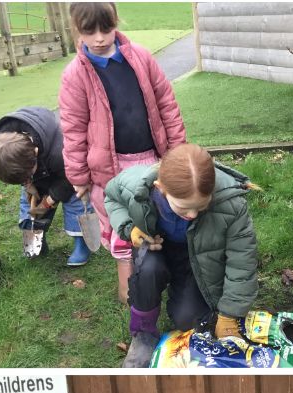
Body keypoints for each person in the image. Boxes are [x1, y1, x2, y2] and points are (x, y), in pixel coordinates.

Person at [59, 2, 186, 301]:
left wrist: (177, 151)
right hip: (109, 170)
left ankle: (167, 279)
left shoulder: (139, 57)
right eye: (90, 31)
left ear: (116, 22)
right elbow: (73, 129)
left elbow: (166, 102)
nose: (100, 38)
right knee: (121, 230)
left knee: (157, 218)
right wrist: (79, 176)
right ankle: (128, 293)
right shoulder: (75, 75)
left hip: (152, 158)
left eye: (106, 28)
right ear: (78, 29)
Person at [104, 142, 259, 368]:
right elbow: (111, 197)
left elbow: (242, 261)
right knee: (149, 270)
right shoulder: (137, 186)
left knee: (188, 320)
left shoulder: (231, 204)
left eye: (201, 206)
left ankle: (183, 294)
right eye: (184, 208)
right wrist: (130, 229)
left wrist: (230, 313)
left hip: (195, 260)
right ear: (161, 188)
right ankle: (143, 333)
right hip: (157, 251)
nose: (193, 214)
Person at [0, 106, 91, 265]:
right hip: (36, 170)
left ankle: (81, 243)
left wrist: (49, 201)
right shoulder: (5, 150)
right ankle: (35, 243)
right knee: (28, 208)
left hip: (65, 175)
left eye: (27, 176)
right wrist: (28, 184)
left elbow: (68, 180)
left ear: (35, 152)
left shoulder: (60, 152)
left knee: (75, 200)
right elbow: (17, 171)